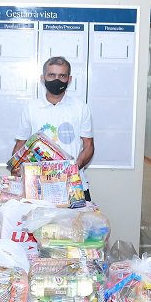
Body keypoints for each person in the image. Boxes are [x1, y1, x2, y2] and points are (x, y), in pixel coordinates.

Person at [13, 56, 94, 200]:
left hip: (74, 186)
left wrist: (74, 168)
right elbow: (20, 145)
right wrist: (16, 169)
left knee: (77, 223)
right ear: (42, 78)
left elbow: (88, 146)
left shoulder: (80, 108)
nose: (57, 80)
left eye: (62, 76)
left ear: (69, 79)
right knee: (40, 223)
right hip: (37, 188)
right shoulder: (31, 108)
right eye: (52, 75)